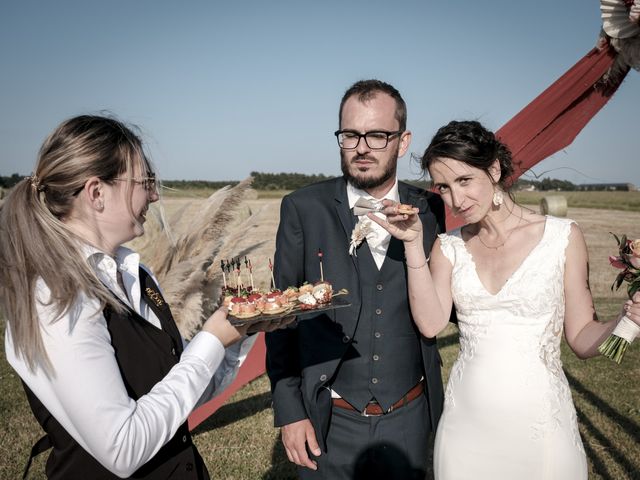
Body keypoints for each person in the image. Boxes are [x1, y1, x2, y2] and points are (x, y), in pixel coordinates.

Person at [0, 115, 282, 479]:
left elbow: (183, 393)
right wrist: (211, 340)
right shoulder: (56, 298)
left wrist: (242, 330)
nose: (155, 194)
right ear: (96, 193)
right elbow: (123, 448)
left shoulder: (135, 274)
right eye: (145, 181)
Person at [368, 119, 640, 479]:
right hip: (465, 429)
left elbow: (582, 338)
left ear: (493, 169)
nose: (455, 200)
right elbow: (431, 323)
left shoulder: (562, 238)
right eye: (444, 187)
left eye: (465, 181)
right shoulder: (448, 247)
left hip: (542, 429)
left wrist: (627, 321)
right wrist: (414, 245)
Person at [265, 79, 446, 479]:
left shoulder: (432, 208)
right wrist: (291, 412)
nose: (362, 147)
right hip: (330, 418)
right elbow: (281, 322)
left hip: (410, 419)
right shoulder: (303, 208)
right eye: (351, 135)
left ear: (402, 141)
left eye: (378, 135)